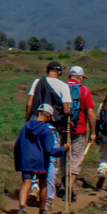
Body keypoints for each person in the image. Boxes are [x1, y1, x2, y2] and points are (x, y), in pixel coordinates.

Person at [24, 60, 72, 204]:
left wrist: (28, 120)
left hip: (35, 124)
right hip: (52, 126)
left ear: (47, 70)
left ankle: (34, 186)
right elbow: (66, 110)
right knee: (51, 160)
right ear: (59, 72)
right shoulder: (63, 86)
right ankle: (48, 198)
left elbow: (29, 103)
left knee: (35, 155)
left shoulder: (37, 82)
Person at [14, 103, 68, 214]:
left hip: (26, 160)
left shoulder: (26, 126)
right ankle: (42, 211)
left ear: (38, 113)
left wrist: (19, 161)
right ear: (48, 116)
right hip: (40, 161)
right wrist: (64, 149)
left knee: (26, 183)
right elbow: (50, 151)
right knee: (43, 184)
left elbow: (17, 145)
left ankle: (21, 208)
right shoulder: (46, 131)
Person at [64, 65, 97, 193]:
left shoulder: (62, 87)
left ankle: (63, 183)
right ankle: (69, 186)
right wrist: (93, 132)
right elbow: (91, 114)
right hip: (79, 129)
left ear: (69, 76)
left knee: (64, 156)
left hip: (63, 129)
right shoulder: (84, 90)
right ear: (80, 77)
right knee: (76, 158)